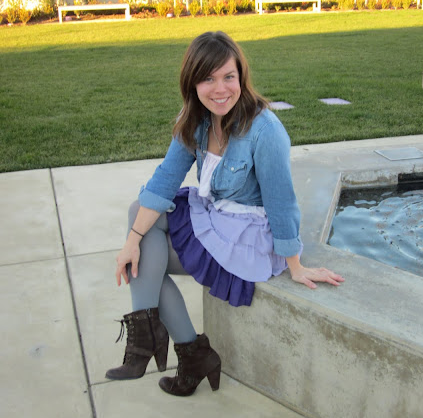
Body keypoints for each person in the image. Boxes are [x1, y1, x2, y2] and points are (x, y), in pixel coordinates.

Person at [106, 31, 344, 397]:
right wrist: (130, 243)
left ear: (241, 76)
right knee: (139, 218)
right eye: (208, 79)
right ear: (193, 83)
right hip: (214, 215)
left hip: (246, 234)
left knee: (149, 264)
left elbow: (282, 201)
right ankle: (178, 350)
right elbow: (165, 179)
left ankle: (165, 347)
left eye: (228, 77)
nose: (220, 90)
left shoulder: (265, 130)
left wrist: (295, 265)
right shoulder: (195, 118)